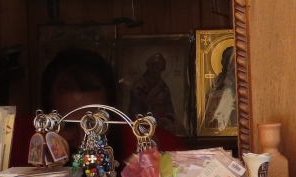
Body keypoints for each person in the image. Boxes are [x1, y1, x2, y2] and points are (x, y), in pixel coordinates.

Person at [10, 48, 183, 166]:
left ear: (113, 112)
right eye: (68, 125)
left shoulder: (159, 146)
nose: (83, 141)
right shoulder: (14, 141)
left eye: (93, 124)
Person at [128, 52, 176, 132]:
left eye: (159, 70)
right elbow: (133, 113)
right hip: (142, 130)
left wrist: (163, 121)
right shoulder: (137, 88)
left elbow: (170, 113)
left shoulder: (164, 89)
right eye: (156, 68)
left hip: (161, 130)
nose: (157, 72)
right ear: (150, 67)